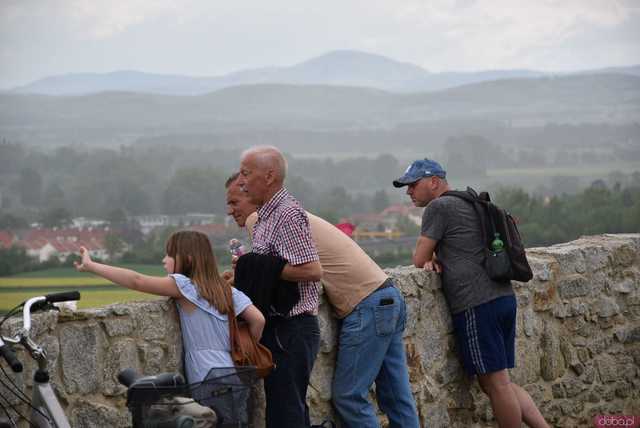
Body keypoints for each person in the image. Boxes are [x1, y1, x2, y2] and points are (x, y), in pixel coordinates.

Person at [226, 174, 420, 428]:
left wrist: (243, 272)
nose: (230, 211)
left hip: (364, 304)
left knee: (349, 396)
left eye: (235, 202)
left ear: (252, 195)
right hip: (387, 295)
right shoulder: (292, 216)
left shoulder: (259, 218)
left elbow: (266, 274)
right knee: (396, 396)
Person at [393, 158, 549, 428]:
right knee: (500, 383)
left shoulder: (439, 207)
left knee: (497, 385)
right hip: (502, 295)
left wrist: (432, 257)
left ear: (434, 182)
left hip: (477, 303)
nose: (408, 192)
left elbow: (419, 258)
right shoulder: (470, 201)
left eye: (413, 185)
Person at [74, 230, 265, 385]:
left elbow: (137, 281)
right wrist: (243, 349)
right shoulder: (227, 290)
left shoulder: (186, 286)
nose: (164, 260)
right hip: (233, 374)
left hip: (207, 378)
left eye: (170, 255)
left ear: (188, 259)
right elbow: (258, 320)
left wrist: (92, 266)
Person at [236, 146, 322, 428]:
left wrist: (262, 267)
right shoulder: (265, 217)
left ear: (269, 176)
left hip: (292, 328)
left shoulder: (287, 215)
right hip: (281, 328)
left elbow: (311, 270)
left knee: (286, 414)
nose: (241, 182)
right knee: (287, 410)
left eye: (246, 174)